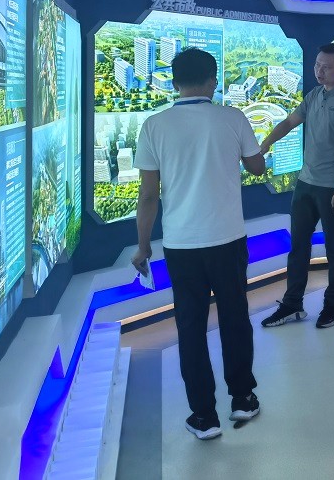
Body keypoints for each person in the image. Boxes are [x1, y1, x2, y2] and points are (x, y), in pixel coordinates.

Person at [130, 48, 266, 440]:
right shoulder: (233, 117)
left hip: (181, 244)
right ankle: (242, 398)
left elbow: (148, 196)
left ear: (174, 83)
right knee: (235, 318)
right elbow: (257, 166)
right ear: (213, 81)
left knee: (190, 326)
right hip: (228, 239)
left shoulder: (154, 125)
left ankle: (204, 416)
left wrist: (143, 246)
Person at [259, 43, 334, 329]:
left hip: (332, 188)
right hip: (305, 184)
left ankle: (333, 307)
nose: (319, 71)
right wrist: (265, 144)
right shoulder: (314, 95)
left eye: (327, 67)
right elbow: (289, 122)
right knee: (298, 247)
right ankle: (292, 304)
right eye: (317, 65)